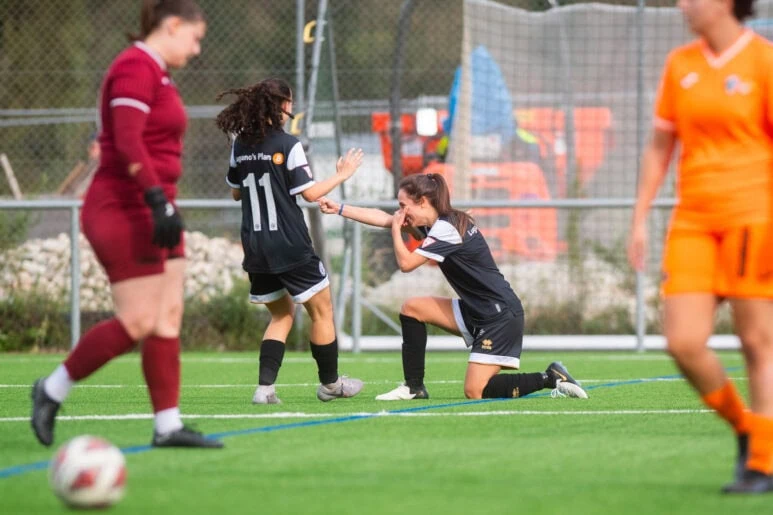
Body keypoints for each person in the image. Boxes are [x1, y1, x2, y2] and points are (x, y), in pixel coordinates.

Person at [31, 0, 222, 449]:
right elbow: (127, 139)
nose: (196, 49)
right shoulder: (134, 66)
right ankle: (52, 389)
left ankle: (167, 425)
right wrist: (155, 198)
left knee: (167, 316)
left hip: (157, 204)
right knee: (138, 319)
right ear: (172, 25)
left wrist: (163, 203)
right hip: (123, 205)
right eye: (195, 38)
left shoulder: (158, 72)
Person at [628, 0, 773, 494]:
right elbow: (659, 147)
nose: (682, 4)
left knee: (757, 342)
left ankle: (763, 463)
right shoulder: (681, 64)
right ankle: (748, 429)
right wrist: (639, 217)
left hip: (754, 216)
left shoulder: (763, 61)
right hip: (692, 221)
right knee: (683, 342)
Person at [319, 173, 588, 401]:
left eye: (403, 206)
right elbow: (384, 218)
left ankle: (550, 377)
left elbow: (406, 263)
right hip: (476, 310)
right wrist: (339, 208)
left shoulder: (446, 229)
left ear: (423, 202)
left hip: (499, 315)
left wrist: (396, 232)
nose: (400, 213)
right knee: (412, 309)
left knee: (475, 391)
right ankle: (414, 387)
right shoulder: (436, 224)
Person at [215, 78, 365, 405]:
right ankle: (330, 384)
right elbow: (309, 194)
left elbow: (236, 192)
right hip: (289, 243)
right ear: (282, 105)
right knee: (322, 312)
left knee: (281, 314)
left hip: (256, 245)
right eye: (290, 103)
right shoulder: (288, 144)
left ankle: (265, 389)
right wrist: (342, 174)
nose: (291, 108)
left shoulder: (240, 145)